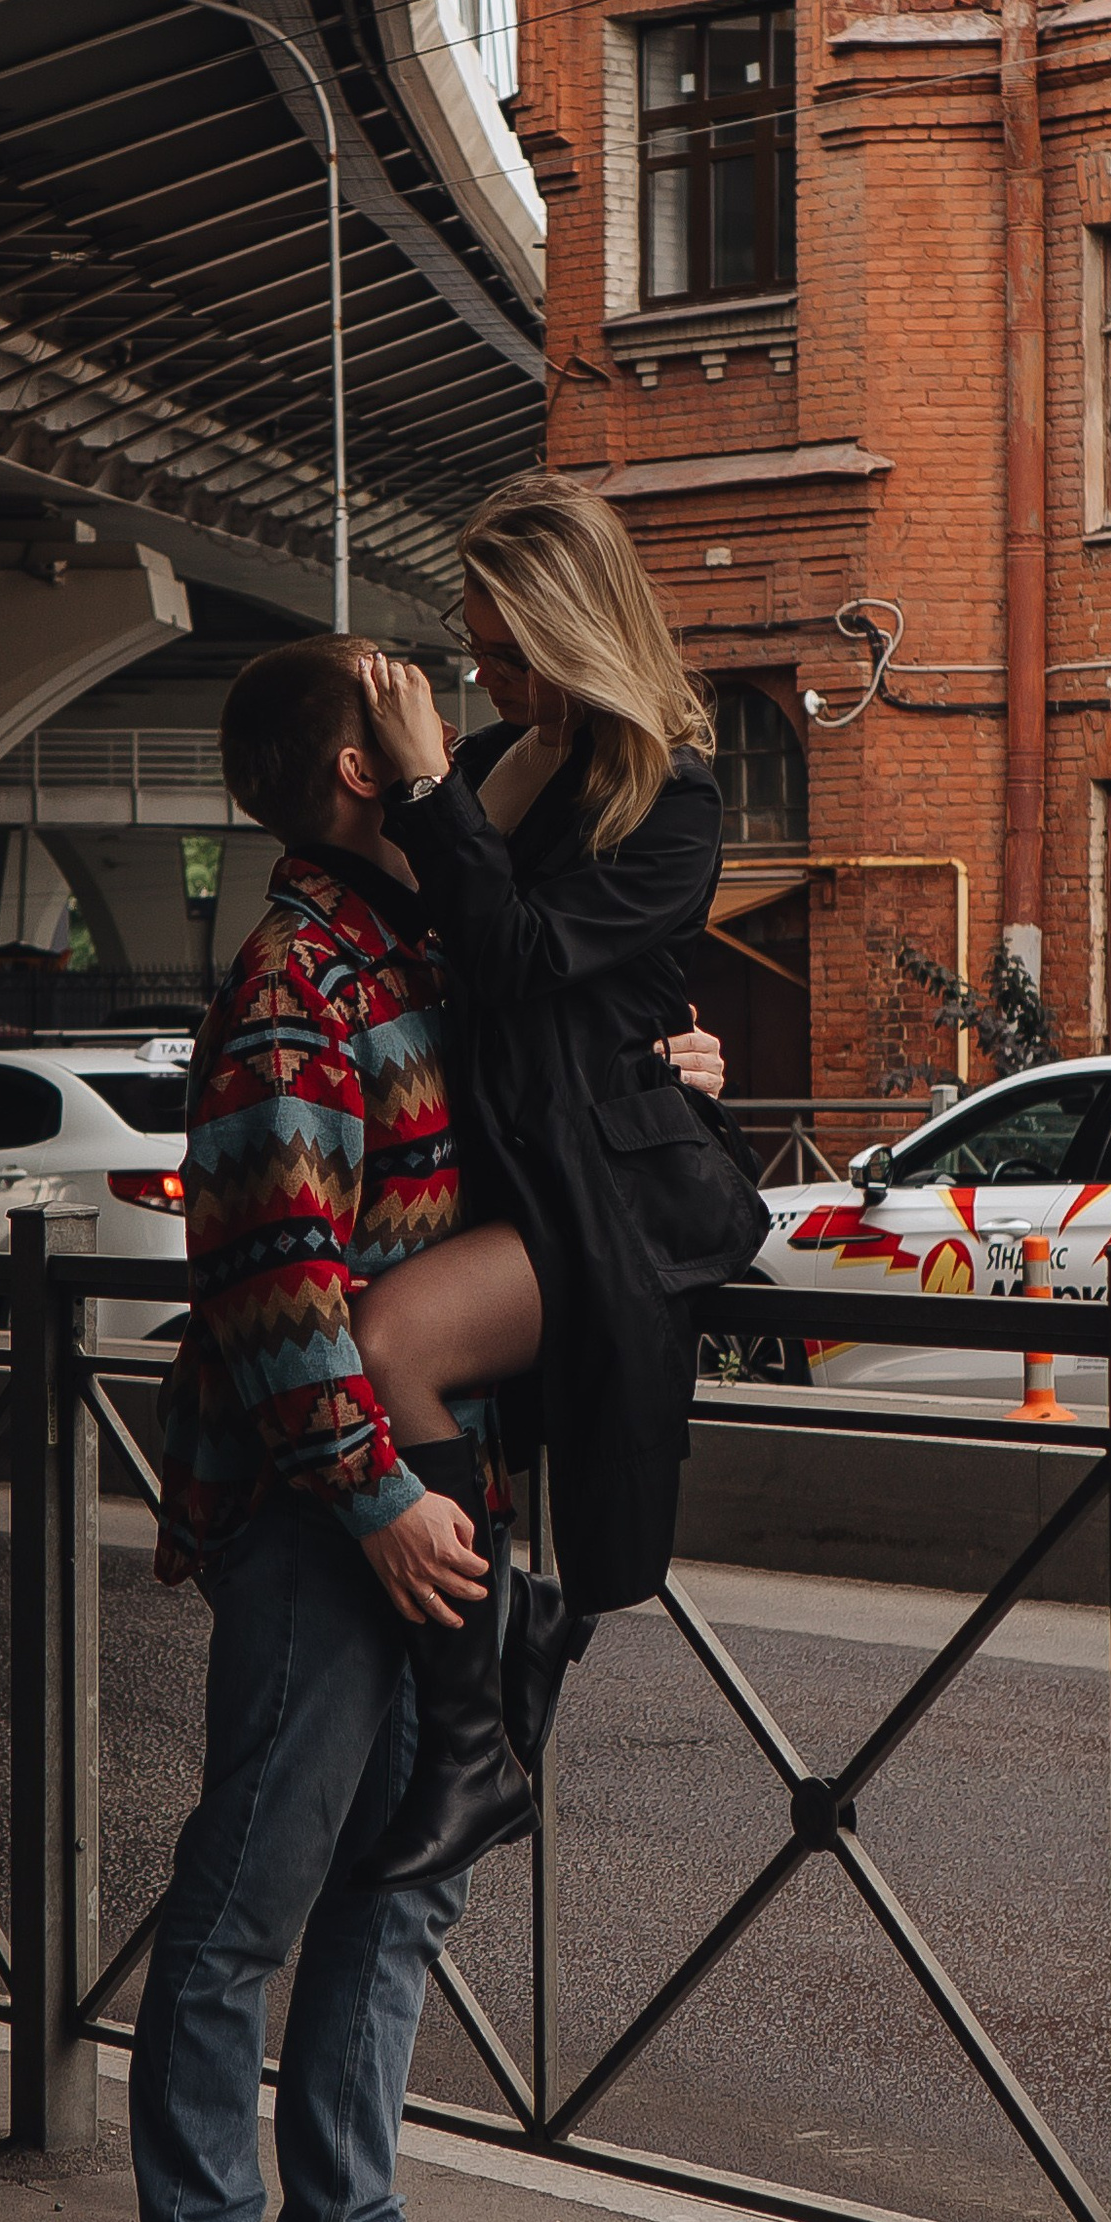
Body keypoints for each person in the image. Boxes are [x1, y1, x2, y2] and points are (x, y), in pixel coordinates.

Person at [130, 630, 725, 2222]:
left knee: (403, 1880)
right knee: (256, 1883)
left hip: (438, 1486)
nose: (449, 721)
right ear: (354, 772)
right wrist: (380, 1499)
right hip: (328, 1507)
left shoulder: (429, 948)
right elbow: (269, 1283)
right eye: (405, 703)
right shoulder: (297, 980)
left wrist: (668, 1070)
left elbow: (551, 1101)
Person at [346, 470, 770, 1893]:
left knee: (393, 1344)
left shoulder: (667, 790)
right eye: (476, 646)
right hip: (493, 1159)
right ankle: (511, 1648)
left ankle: (473, 1749)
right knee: (420, 1372)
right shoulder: (487, 759)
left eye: (512, 652)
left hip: (604, 1182)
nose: (487, 675)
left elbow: (521, 957)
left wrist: (423, 790)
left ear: (578, 635)